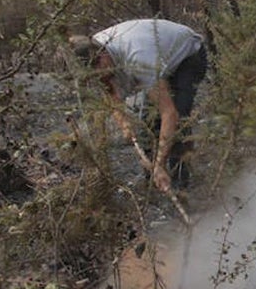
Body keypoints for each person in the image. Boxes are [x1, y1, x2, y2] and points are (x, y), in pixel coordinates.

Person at [71, 18, 208, 193]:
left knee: (177, 120)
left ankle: (179, 187)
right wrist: (124, 123)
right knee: (148, 123)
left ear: (102, 56)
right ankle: (154, 181)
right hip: (156, 58)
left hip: (188, 57)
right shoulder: (92, 49)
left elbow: (169, 114)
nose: (99, 79)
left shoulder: (138, 57)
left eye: (98, 73)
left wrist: (160, 162)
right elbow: (110, 92)